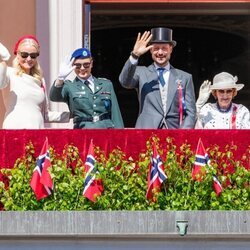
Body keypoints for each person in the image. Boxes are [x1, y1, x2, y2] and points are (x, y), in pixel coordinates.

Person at [119, 27, 196, 129]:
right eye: (156, 48)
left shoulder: (185, 77)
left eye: (164, 48)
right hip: (146, 132)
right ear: (150, 50)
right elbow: (125, 82)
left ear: (171, 49)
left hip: (174, 133)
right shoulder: (141, 72)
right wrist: (135, 55)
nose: (160, 52)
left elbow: (191, 112)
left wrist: (182, 133)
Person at [0, 35, 69, 129]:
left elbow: (45, 114)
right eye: (24, 55)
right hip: (14, 130)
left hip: (37, 131)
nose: (28, 59)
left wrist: (72, 115)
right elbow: (1, 83)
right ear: (17, 54)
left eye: (33, 55)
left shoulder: (40, 80)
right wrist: (3, 62)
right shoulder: (9, 73)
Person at [49, 48, 124, 129]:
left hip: (106, 130)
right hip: (83, 131)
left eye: (86, 65)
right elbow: (54, 97)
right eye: (77, 65)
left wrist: (120, 136)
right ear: (72, 66)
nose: (82, 68)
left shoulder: (106, 84)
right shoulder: (69, 86)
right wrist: (60, 79)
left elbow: (116, 114)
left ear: (91, 64)